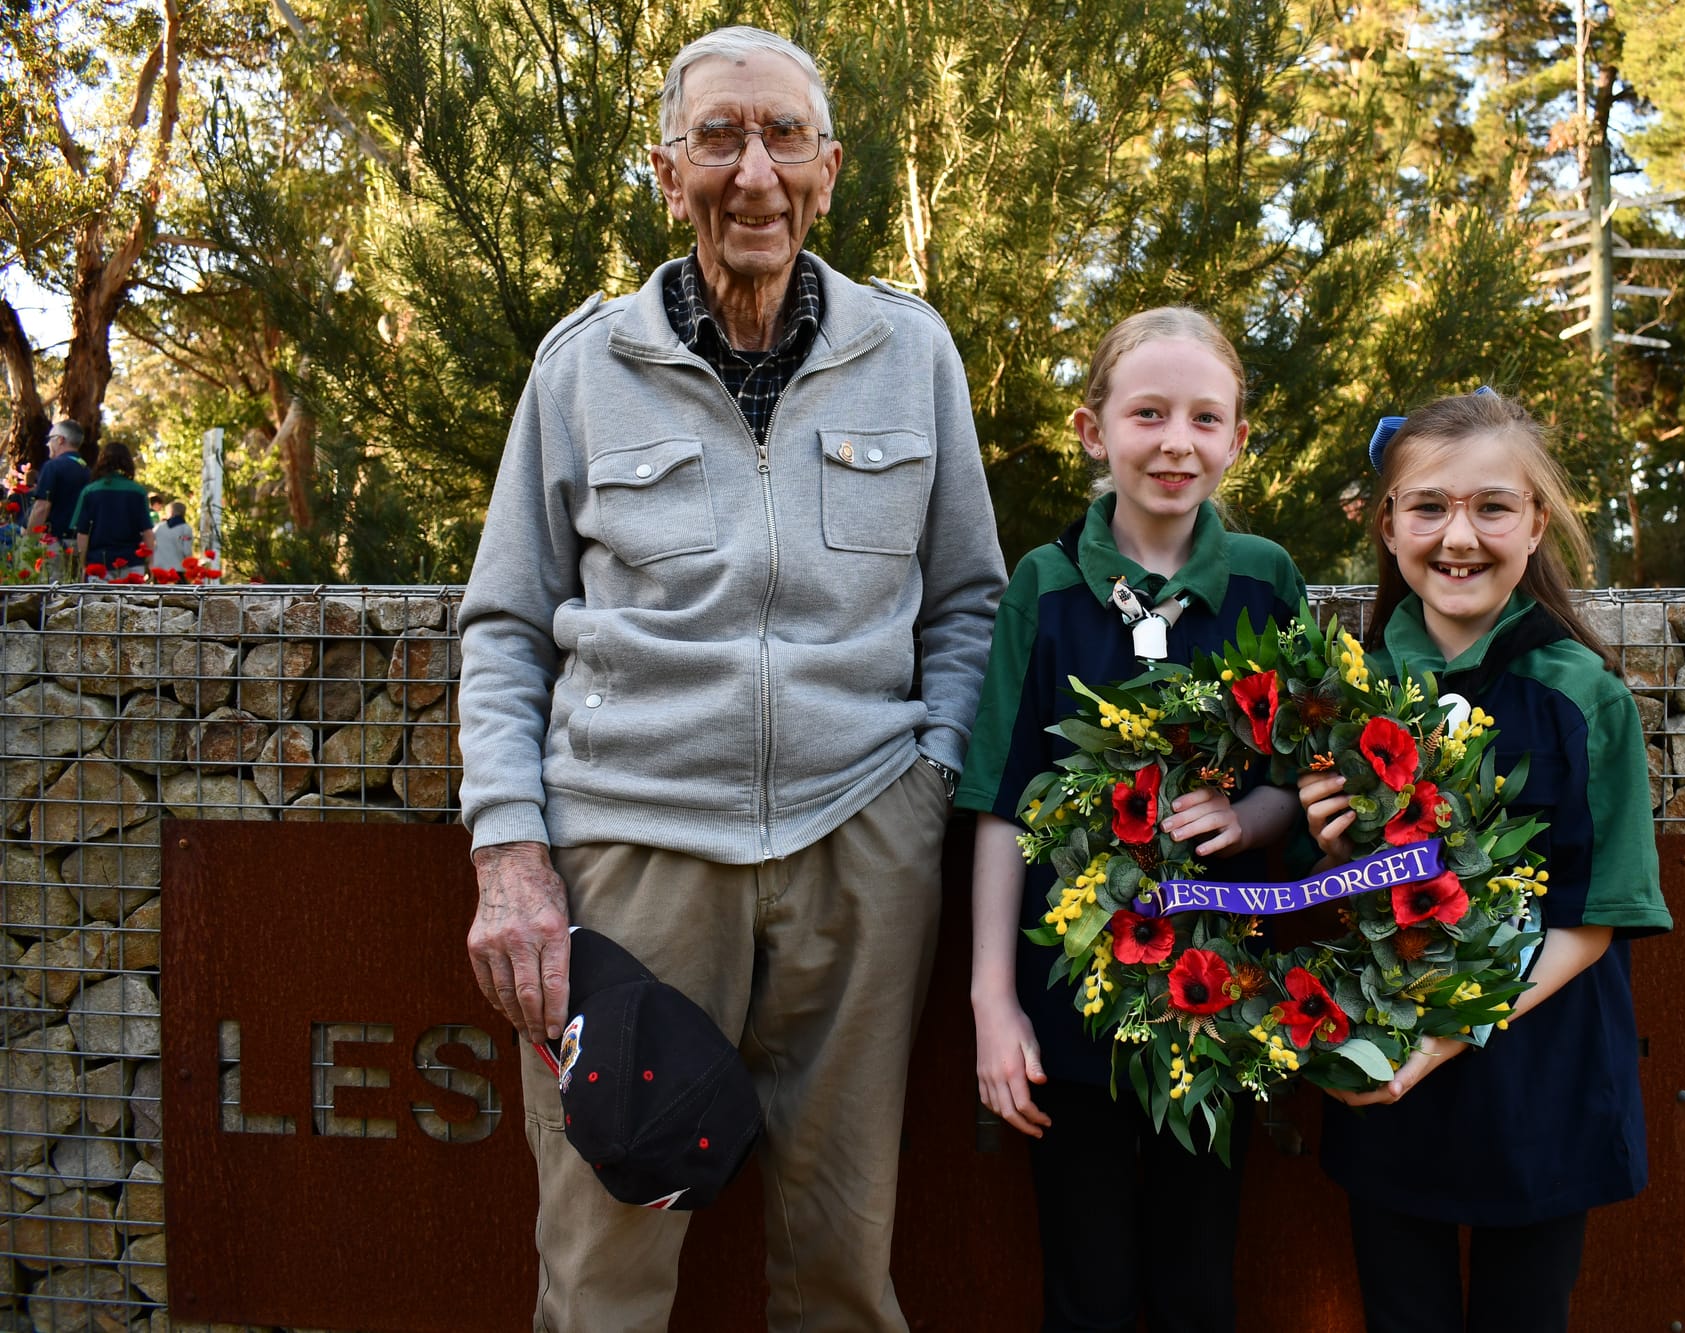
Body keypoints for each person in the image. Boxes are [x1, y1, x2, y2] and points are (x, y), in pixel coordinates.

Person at [455, 25, 1006, 1332]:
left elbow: (970, 600)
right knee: (603, 1276)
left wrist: (924, 784)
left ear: (828, 168)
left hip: (859, 853)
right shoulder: (580, 367)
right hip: (634, 863)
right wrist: (510, 853)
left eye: (782, 137)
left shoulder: (911, 354)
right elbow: (505, 626)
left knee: (840, 1266)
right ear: (666, 170)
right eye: (718, 137)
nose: (752, 171)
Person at [958, 307, 1307, 1332]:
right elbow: (998, 799)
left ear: (1237, 439)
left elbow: (1305, 768)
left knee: (1196, 1281)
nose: (1174, 441)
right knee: (1087, 1285)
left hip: (1220, 999)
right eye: (1146, 412)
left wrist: (1249, 818)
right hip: (1070, 1010)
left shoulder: (1264, 579)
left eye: (1205, 418)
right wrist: (991, 1001)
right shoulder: (1044, 584)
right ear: (1090, 428)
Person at [1297, 388, 1673, 1333]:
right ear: (1387, 526)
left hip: (1534, 1080)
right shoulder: (1354, 686)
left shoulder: (1586, 700)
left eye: (1492, 506)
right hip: (1390, 1076)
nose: (1458, 535)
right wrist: (1334, 841)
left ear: (1536, 522)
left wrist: (1444, 1037)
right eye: (1429, 506)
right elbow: (1365, 892)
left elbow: (1593, 920)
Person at [71, 441, 153, 574]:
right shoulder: (138, 491)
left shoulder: (90, 491)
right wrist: (150, 563)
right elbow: (147, 532)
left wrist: (82, 564)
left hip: (98, 564)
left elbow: (82, 533)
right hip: (131, 562)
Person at [26, 421, 92, 552]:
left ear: (61, 440)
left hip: (55, 544)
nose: (48, 444)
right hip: (82, 544)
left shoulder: (53, 467)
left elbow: (42, 507)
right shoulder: (88, 471)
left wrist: (29, 541)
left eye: (50, 439)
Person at [149, 500, 197, 573]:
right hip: (177, 568)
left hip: (159, 568)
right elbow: (187, 551)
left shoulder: (159, 527)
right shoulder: (186, 529)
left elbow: (150, 543)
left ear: (170, 512)